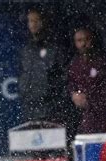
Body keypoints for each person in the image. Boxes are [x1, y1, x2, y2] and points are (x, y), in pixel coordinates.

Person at [18, 8, 80, 147]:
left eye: (36, 20)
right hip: (30, 110)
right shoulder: (27, 50)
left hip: (52, 111)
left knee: (55, 150)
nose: (33, 24)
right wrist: (25, 94)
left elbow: (66, 78)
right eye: (30, 21)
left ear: (44, 22)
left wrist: (56, 102)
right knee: (33, 151)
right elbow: (23, 76)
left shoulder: (56, 48)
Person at [68, 26, 106, 134]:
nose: (83, 44)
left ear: (93, 39)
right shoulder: (75, 65)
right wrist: (73, 95)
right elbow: (70, 85)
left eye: (87, 39)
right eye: (79, 40)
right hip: (86, 120)